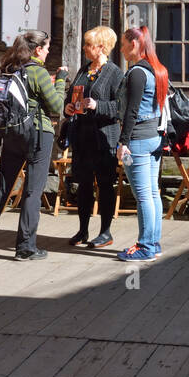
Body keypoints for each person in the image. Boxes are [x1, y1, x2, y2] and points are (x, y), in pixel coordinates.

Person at [0, 30, 67, 261]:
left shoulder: (10, 69)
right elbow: (56, 106)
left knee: (1, 187)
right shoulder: (39, 72)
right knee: (33, 190)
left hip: (13, 135)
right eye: (46, 48)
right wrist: (61, 81)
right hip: (37, 134)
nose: (47, 52)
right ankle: (25, 247)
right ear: (37, 50)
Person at [65, 26, 123, 249]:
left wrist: (98, 105)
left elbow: (121, 107)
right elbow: (72, 95)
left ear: (101, 47)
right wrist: (68, 107)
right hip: (83, 136)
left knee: (106, 184)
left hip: (104, 137)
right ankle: (82, 230)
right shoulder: (84, 70)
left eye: (89, 44)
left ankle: (105, 232)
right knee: (84, 185)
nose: (84, 48)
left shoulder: (115, 73)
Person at [116, 24, 168, 262]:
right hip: (154, 138)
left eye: (124, 45)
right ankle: (154, 243)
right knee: (152, 194)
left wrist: (122, 143)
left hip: (136, 141)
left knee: (143, 196)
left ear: (134, 45)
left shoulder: (137, 72)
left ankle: (145, 246)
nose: (122, 50)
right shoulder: (157, 70)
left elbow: (131, 112)